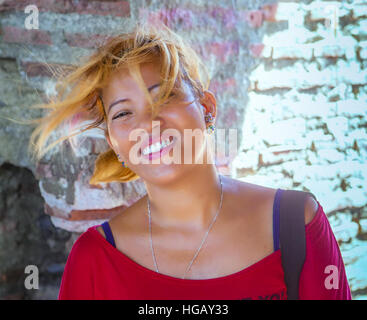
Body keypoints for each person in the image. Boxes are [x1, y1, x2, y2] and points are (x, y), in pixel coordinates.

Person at [28, 22, 351, 300]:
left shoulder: (297, 222)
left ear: (207, 107)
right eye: (124, 113)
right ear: (115, 142)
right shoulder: (95, 258)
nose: (148, 124)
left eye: (164, 95)